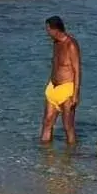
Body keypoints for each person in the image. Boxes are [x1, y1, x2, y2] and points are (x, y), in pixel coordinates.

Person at [40, 16, 81, 146]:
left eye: (48, 30)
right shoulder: (55, 43)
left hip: (67, 88)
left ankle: (70, 160)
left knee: (68, 127)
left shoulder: (71, 44)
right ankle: (44, 159)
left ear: (55, 30)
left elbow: (77, 70)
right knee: (47, 123)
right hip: (53, 87)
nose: (47, 33)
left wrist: (75, 94)